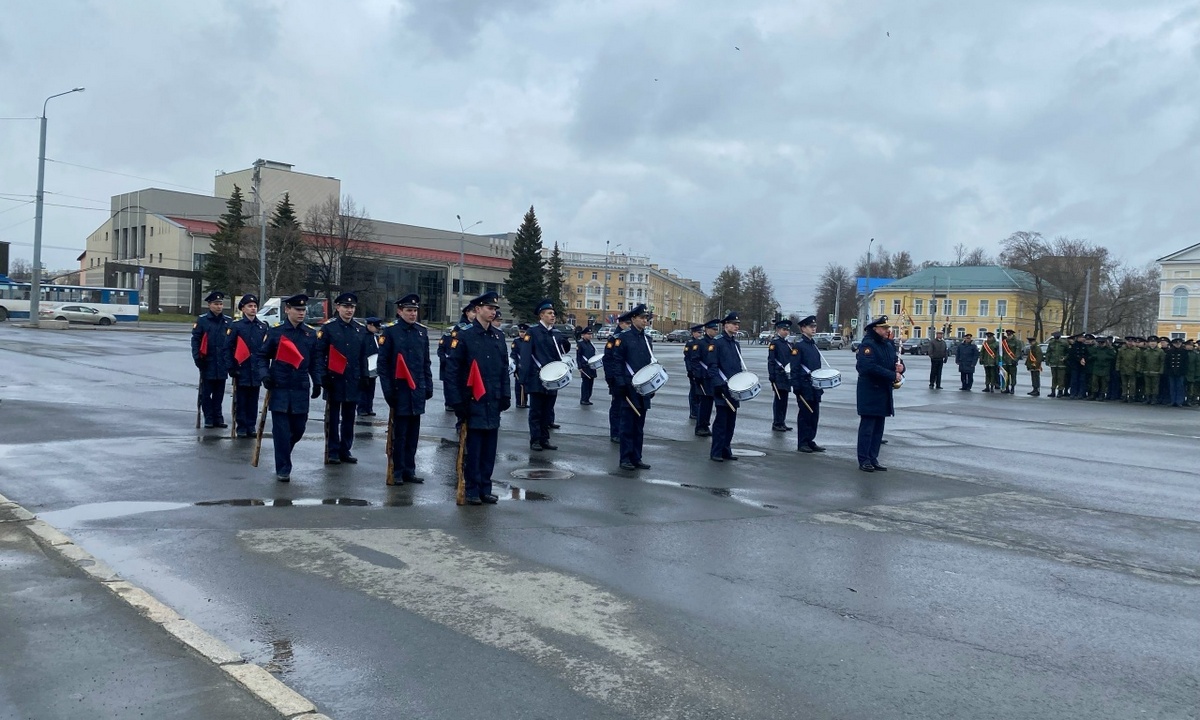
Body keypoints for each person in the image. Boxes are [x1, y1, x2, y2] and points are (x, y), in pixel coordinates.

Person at [444, 291, 511, 505]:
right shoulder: (464, 336)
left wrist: (506, 395)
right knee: (473, 449)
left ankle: (485, 487)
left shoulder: (498, 336)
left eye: (495, 309)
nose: (493, 312)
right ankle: (471, 488)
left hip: (492, 399)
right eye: (489, 308)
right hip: (471, 401)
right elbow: (452, 371)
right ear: (477, 310)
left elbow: (503, 369)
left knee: (489, 450)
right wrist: (456, 402)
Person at [260, 294, 322, 482]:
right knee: (281, 430)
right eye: (297, 310)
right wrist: (265, 375)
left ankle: (284, 451)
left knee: (298, 429)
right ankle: (283, 468)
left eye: (303, 310)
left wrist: (317, 381)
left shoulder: (310, 334)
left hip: (300, 387)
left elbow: (316, 361)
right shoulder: (276, 332)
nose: (301, 313)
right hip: (280, 386)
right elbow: (261, 356)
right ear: (287, 310)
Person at [378, 294, 433, 485]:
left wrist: (428, 385)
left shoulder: (421, 332)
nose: (412, 314)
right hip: (399, 389)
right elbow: (383, 365)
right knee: (399, 434)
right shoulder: (391, 332)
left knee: (413, 434)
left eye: (415, 310)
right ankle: (397, 470)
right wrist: (388, 391)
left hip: (416, 389)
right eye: (409, 310)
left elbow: (426, 362)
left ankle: (410, 469)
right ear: (400, 311)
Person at [315, 292, 371, 464]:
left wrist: (365, 376)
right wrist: (322, 376)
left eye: (352, 307)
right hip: (334, 378)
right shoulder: (329, 329)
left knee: (349, 418)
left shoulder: (360, 330)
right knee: (333, 418)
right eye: (346, 307)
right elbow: (319, 354)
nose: (349, 310)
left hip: (352, 378)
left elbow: (363, 356)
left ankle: (345, 449)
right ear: (338, 307)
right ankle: (332, 450)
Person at [610, 304, 656, 470]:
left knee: (639, 426)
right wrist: (620, 384)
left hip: (643, 388)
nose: (645, 321)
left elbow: (649, 364)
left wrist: (652, 386)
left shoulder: (647, 339)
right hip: (628, 387)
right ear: (633, 318)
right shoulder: (623, 338)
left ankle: (637, 457)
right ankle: (625, 458)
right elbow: (617, 362)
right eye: (643, 318)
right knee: (627, 425)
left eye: (647, 318)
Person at [856, 316, 904, 472]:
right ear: (875, 329)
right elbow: (867, 367)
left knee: (878, 429)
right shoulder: (868, 345)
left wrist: (900, 368)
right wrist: (891, 375)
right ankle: (864, 459)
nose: (887, 331)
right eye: (884, 328)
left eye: (887, 328)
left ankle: (873, 457)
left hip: (883, 391)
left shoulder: (887, 345)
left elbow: (895, 362)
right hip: (870, 391)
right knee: (868, 428)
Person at [521, 298, 564, 451]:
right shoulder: (532, 332)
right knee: (536, 412)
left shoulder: (555, 333)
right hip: (536, 378)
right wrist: (524, 378)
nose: (553, 316)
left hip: (552, 379)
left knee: (547, 411)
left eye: (553, 313)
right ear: (541, 315)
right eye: (549, 313)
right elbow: (526, 356)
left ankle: (545, 439)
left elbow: (560, 355)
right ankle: (535, 440)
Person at [224, 293, 269, 438]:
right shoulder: (236, 326)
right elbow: (228, 348)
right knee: (241, 400)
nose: (253, 309)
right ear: (243, 309)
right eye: (250, 306)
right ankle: (241, 426)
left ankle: (251, 425)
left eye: (255, 306)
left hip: (255, 369)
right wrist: (231, 367)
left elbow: (265, 350)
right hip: (241, 369)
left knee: (253, 400)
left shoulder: (262, 326)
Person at [707, 311, 746, 462]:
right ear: (725, 325)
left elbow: (737, 366)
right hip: (722, 388)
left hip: (734, 388)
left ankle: (726, 449)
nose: (736, 327)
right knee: (721, 422)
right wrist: (719, 384)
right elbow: (712, 366)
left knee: (731, 422)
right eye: (734, 324)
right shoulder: (717, 342)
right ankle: (716, 451)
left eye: (738, 325)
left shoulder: (735, 344)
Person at [191, 291, 232, 428]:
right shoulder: (202, 320)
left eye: (221, 304)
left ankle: (218, 417)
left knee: (219, 394)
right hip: (207, 361)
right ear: (209, 305)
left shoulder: (228, 321)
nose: (219, 307)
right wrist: (197, 358)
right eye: (216, 304)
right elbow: (196, 340)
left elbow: (230, 343)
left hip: (221, 362)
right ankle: (208, 417)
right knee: (206, 393)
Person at [790, 315, 825, 453]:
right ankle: (802, 442)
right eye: (811, 327)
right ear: (803, 328)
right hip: (804, 386)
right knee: (805, 415)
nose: (814, 329)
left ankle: (810, 440)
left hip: (815, 385)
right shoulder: (799, 346)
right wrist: (796, 386)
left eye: (815, 326)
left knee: (814, 415)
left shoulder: (813, 345)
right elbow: (795, 368)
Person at [602, 313, 633, 443]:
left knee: (627, 407)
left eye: (630, 324)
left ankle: (624, 431)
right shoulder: (614, 339)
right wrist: (610, 379)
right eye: (627, 324)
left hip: (628, 378)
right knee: (617, 406)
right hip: (616, 378)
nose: (629, 326)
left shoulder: (629, 337)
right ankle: (615, 432)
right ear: (620, 324)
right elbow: (608, 360)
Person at [438, 304, 476, 412]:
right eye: (473, 312)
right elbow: (447, 346)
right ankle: (450, 403)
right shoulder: (459, 329)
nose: (475, 315)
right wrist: (445, 359)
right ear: (467, 313)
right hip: (454, 362)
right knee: (452, 383)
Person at [690, 319, 720, 437]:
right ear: (707, 330)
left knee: (709, 402)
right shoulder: (700, 343)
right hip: (703, 377)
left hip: (711, 376)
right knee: (704, 403)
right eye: (713, 329)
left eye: (716, 329)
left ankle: (705, 425)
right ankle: (700, 426)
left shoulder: (715, 343)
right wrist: (698, 376)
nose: (715, 331)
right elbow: (695, 361)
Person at [767, 319, 793, 432]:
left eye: (787, 330)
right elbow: (771, 360)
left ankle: (782, 421)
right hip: (778, 374)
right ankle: (777, 422)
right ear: (778, 330)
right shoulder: (775, 343)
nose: (786, 332)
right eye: (784, 329)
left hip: (786, 375)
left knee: (784, 400)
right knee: (779, 400)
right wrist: (771, 375)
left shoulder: (788, 343)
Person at [357, 317, 383, 417]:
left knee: (371, 389)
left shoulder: (374, 336)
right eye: (376, 327)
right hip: (364, 366)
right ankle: (362, 408)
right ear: (370, 325)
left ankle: (369, 407)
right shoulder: (362, 335)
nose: (377, 329)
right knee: (363, 389)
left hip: (373, 367)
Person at [1087, 335, 1116, 401]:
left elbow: (1113, 356)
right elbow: (1091, 355)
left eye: (1102, 343)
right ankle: (1094, 394)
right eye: (1099, 343)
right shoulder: (1096, 348)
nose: (1101, 344)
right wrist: (1097, 356)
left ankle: (1102, 395)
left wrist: (1105, 357)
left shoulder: (1109, 349)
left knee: (1104, 382)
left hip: (1105, 368)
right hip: (1096, 367)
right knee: (1094, 382)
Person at [684, 324, 704, 419]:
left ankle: (698, 411)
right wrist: (690, 370)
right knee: (694, 392)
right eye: (698, 332)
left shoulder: (701, 343)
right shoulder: (690, 343)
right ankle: (693, 412)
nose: (700, 334)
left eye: (701, 332)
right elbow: (687, 358)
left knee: (700, 392)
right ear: (693, 333)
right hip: (693, 371)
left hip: (700, 371)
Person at [1164, 336, 1188, 407]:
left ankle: (1179, 401)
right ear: (1173, 344)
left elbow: (1186, 363)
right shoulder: (1169, 352)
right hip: (1171, 372)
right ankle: (1173, 401)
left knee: (1180, 387)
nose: (1178, 344)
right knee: (1172, 387)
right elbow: (1167, 363)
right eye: (1176, 343)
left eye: (1179, 343)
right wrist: (1167, 371)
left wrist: (1184, 372)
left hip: (1180, 372)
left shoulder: (1184, 352)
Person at [576, 325, 597, 405]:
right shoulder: (580, 344)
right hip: (585, 367)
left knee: (591, 384)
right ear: (583, 335)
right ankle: (584, 399)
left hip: (592, 367)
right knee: (585, 384)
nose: (590, 336)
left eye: (591, 334)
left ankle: (588, 398)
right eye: (588, 334)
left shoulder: (591, 344)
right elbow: (578, 356)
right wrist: (580, 366)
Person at [1045, 331, 1069, 397]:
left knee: (1061, 378)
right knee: (1054, 378)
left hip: (1061, 364)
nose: (1056, 338)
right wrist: (1047, 360)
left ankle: (1060, 392)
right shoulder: (1051, 343)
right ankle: (1053, 391)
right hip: (1053, 363)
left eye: (1057, 337)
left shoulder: (1064, 343)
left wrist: (1064, 358)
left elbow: (1068, 353)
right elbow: (1048, 352)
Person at [510, 323, 529, 408]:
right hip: (518, 367)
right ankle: (519, 402)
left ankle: (524, 402)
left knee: (525, 385)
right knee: (519, 385)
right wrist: (515, 365)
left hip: (527, 366)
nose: (521, 333)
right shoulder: (516, 341)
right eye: (520, 332)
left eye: (523, 332)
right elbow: (513, 354)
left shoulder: (528, 340)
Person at [1117, 336, 1140, 403]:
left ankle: (1131, 396)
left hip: (1132, 369)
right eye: (1128, 341)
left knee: (1132, 384)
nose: (1130, 343)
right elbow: (1118, 359)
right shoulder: (1122, 349)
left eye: (1131, 341)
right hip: (1123, 368)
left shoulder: (1136, 350)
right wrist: (1117, 368)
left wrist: (1137, 369)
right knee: (1124, 383)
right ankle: (1124, 395)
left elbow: (1138, 360)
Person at [1000, 329, 1022, 395]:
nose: (1008, 335)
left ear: (1012, 334)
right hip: (1005, 361)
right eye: (1008, 334)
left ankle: (1012, 388)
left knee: (1013, 376)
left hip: (1012, 361)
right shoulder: (1004, 342)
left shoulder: (1017, 342)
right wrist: (1001, 360)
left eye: (1010, 334)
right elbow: (1002, 351)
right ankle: (1006, 388)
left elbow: (1018, 351)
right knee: (1005, 375)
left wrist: (1015, 360)